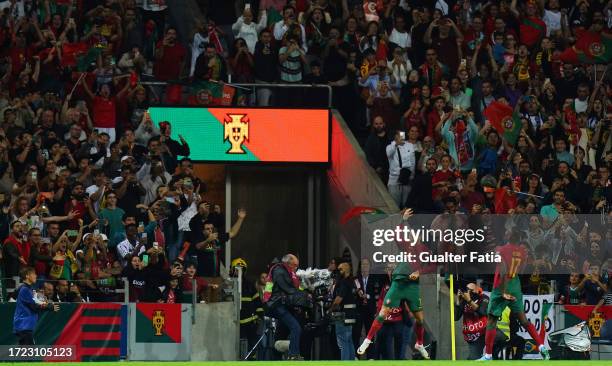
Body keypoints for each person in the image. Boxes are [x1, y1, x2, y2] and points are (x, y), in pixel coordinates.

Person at [358, 209, 430, 359]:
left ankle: (420, 343)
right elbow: (398, 237)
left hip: (412, 286)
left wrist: (419, 272)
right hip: (398, 283)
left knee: (420, 319)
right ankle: (367, 340)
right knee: (383, 313)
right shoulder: (407, 246)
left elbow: (431, 266)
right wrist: (403, 220)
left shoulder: (424, 250)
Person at [477, 231, 550, 361]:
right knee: (524, 320)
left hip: (501, 287)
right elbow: (521, 271)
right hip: (515, 284)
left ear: (509, 236)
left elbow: (503, 270)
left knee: (492, 320)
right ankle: (541, 346)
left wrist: (504, 290)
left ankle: (488, 355)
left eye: (507, 232)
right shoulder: (523, 252)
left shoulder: (501, 249)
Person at [266, 254, 306, 361]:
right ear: (288, 263)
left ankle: (278, 358)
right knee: (296, 328)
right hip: (277, 305)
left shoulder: (287, 272)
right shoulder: (279, 271)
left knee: (281, 333)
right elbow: (288, 288)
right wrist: (303, 294)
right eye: (295, 265)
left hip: (282, 305)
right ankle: (293, 355)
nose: (296, 268)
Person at [13, 267, 59, 345]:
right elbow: (34, 307)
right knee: (29, 354)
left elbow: (39, 302)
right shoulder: (25, 289)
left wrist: (46, 303)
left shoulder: (29, 290)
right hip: (23, 326)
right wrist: (49, 307)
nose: (36, 276)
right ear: (27, 276)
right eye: (34, 274)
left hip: (25, 327)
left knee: (26, 354)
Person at [329, 261, 357, 361]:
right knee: (349, 340)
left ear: (345, 270)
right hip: (351, 314)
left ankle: (345, 362)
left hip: (341, 314)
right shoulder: (352, 281)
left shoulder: (344, 282)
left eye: (340, 269)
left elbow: (338, 299)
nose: (338, 271)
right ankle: (351, 362)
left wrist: (330, 309)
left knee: (342, 341)